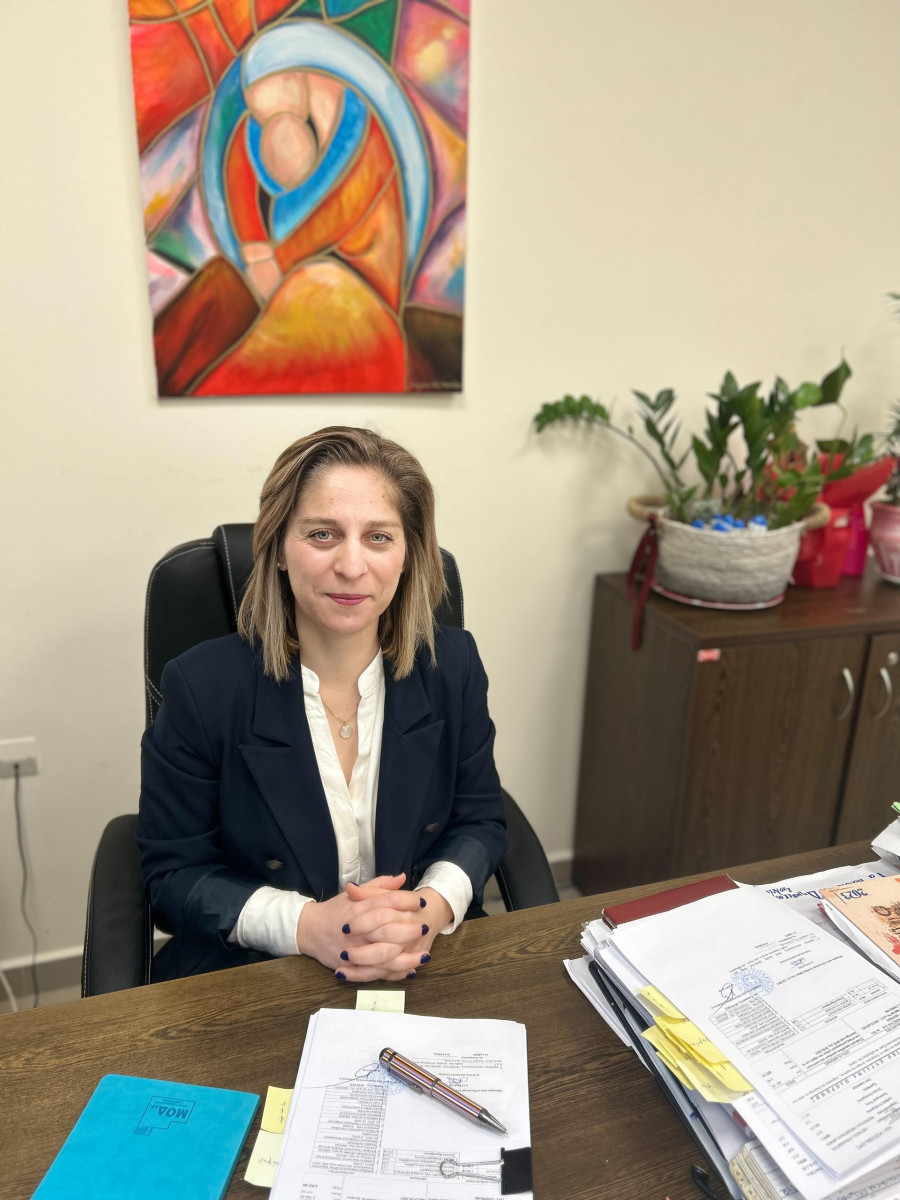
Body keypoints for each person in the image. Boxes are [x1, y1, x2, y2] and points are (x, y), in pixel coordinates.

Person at [137, 427, 507, 983]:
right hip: (259, 973)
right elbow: (173, 876)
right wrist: (305, 925)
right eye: (322, 534)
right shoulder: (201, 686)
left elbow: (479, 819)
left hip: (418, 959)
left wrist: (428, 908)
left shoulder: (452, 665)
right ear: (278, 549)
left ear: (408, 555)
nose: (352, 566)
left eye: (378, 537)